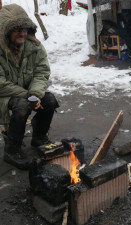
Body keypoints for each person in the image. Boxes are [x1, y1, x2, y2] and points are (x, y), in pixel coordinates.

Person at [0, 4, 59, 170]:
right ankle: (12, 149)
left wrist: (35, 94)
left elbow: (41, 73)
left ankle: (39, 138)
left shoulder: (35, 47)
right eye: (17, 29)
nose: (22, 33)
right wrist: (28, 96)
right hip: (5, 94)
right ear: (6, 31)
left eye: (25, 29)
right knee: (21, 106)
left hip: (28, 90)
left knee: (50, 100)